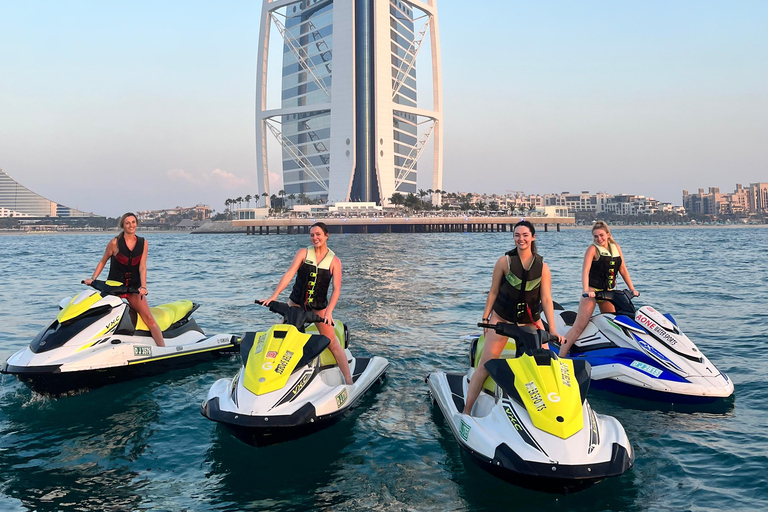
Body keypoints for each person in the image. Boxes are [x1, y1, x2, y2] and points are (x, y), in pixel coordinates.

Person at [463, 220, 564, 416]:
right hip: (503, 319)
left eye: (525, 235)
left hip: (530, 320)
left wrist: (551, 329)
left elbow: (546, 299)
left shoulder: (543, 267)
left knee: (547, 364)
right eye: (517, 235)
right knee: (486, 365)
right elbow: (493, 292)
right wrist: (486, 317)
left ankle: (551, 410)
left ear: (533, 237)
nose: (521, 239)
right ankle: (466, 411)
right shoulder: (504, 262)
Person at [262, 222, 353, 385]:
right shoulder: (303, 253)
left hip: (319, 309)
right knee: (282, 337)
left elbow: (337, 289)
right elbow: (289, 274)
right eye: (312, 235)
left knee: (332, 341)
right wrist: (274, 296)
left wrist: (329, 311)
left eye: (318, 234)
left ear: (326, 236)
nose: (315, 238)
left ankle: (348, 380)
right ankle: (273, 374)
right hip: (296, 304)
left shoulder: (334, 261)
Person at [84, 212, 165, 347]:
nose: (131, 225)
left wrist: (143, 287)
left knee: (149, 319)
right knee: (102, 316)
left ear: (136, 224)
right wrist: (93, 279)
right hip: (115, 287)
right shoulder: (114, 243)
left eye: (133, 222)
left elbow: (142, 267)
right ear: (123, 225)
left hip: (133, 287)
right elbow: (103, 261)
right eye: (127, 223)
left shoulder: (143, 243)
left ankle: (163, 349)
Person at [558, 221, 638, 357]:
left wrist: (632, 289)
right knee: (579, 326)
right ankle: (561, 356)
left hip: (608, 293)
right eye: (595, 236)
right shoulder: (592, 249)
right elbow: (585, 270)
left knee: (613, 324)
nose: (599, 239)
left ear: (607, 234)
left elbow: (623, 269)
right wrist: (585, 290)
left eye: (601, 235)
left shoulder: (616, 247)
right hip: (592, 291)